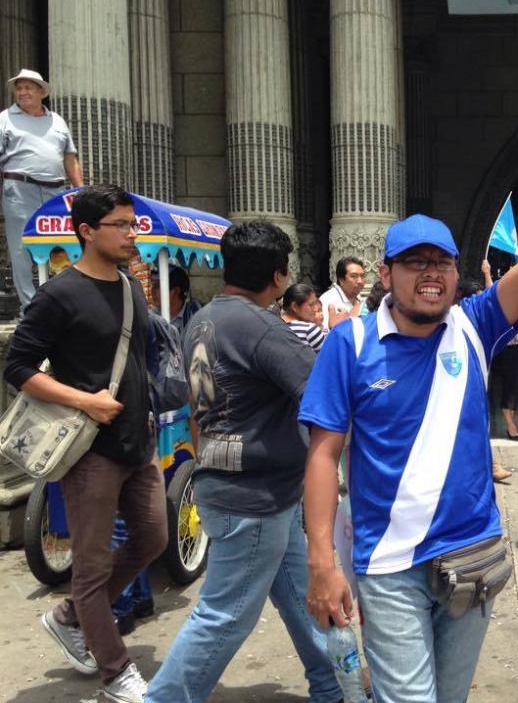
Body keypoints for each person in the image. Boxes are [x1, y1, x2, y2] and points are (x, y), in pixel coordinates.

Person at [300, 99, 518, 703]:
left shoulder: (474, 325)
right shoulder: (349, 344)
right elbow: (324, 456)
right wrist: (322, 562)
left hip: (473, 556)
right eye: (414, 264)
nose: (429, 274)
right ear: (387, 273)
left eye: (441, 263)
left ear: (458, 275)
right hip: (389, 568)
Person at [145, 222, 341, 703]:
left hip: (246, 483)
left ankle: (335, 686)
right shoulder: (260, 327)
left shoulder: (204, 318)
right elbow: (323, 396)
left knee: (304, 596)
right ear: (279, 277)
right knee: (224, 615)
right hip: (252, 495)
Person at [4, 185, 163, 703]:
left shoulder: (129, 287)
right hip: (89, 449)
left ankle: (71, 615)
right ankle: (116, 673)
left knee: (153, 539)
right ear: (88, 231)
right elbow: (18, 367)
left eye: (133, 224)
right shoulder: (58, 294)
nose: (131, 233)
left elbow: (139, 360)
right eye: (121, 225)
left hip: (138, 443)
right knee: (90, 568)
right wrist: (83, 401)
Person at [1, 68, 84, 311]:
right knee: (21, 246)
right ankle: (30, 307)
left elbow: (70, 157)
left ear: (40, 92)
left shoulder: (57, 120)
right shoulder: (5, 118)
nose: (22, 92)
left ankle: (63, 302)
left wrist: (80, 190)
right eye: (19, 88)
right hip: (19, 187)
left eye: (28, 87)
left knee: (61, 243)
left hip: (56, 191)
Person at [484, 259, 518, 441]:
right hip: (510, 346)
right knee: (511, 386)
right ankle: (510, 425)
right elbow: (490, 296)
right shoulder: (502, 293)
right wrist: (487, 273)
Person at [150, 264, 201, 335]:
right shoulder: (151, 318)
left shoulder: (194, 314)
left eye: (158, 286)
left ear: (177, 290)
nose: (152, 291)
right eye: (152, 285)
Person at [319, 255, 366, 331]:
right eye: (354, 276)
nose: (360, 281)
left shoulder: (360, 298)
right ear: (341, 280)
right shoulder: (328, 301)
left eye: (362, 276)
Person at [281, 282, 327, 351]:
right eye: (311, 304)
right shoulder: (309, 330)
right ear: (295, 307)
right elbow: (331, 356)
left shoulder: (273, 324)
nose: (316, 308)